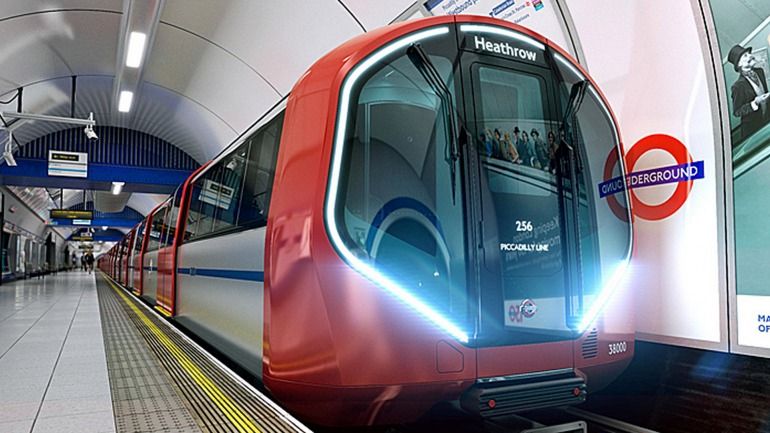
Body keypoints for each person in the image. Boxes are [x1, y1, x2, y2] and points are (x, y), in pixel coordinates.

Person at [728, 44, 770, 142]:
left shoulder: (760, 71)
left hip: (766, 121)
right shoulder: (737, 87)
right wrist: (754, 103)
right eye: (745, 56)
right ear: (739, 64)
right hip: (752, 130)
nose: (750, 56)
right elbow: (737, 111)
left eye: (748, 54)